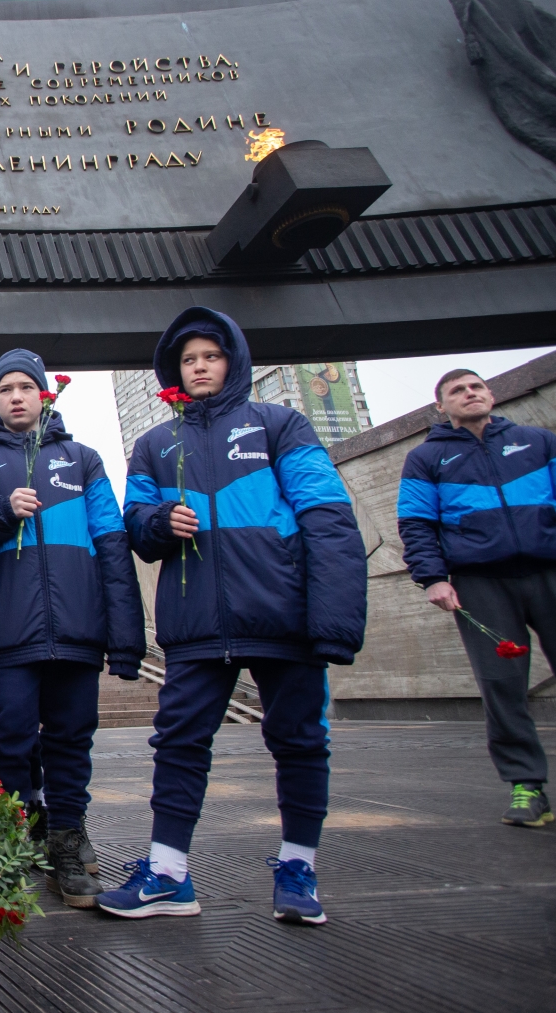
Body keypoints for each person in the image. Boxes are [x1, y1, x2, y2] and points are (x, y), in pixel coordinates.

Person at [102, 306, 365, 927]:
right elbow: (135, 527)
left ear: (233, 361)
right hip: (195, 629)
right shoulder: (154, 444)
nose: (199, 368)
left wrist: (332, 622)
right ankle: (167, 873)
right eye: (189, 359)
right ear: (175, 370)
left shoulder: (283, 424)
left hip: (283, 620)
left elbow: (329, 517)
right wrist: (161, 523)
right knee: (178, 744)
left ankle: (298, 866)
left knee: (299, 743)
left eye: (211, 357)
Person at [0, 349, 146, 909]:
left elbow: (113, 547)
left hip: (77, 628)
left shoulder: (84, 459)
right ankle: (9, 840)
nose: (16, 396)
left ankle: (67, 836)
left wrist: (126, 638)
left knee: (71, 738)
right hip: (10, 630)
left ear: (45, 395)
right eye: (4, 389)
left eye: (26, 387)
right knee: (9, 736)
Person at [397, 368, 556, 827]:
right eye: (458, 390)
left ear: (490, 394)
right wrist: (433, 578)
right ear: (441, 406)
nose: (470, 394)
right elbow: (416, 524)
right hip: (480, 582)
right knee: (501, 684)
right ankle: (527, 787)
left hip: (554, 571)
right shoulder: (426, 459)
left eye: (476, 387)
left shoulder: (539, 442)